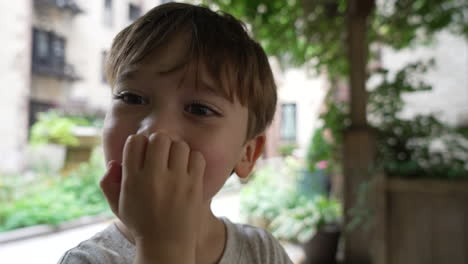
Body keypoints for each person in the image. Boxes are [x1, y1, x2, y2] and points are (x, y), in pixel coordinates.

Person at [58, 2, 292, 264]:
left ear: (247, 153)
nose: (155, 130)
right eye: (131, 97)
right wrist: (162, 246)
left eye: (199, 109)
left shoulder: (263, 253)